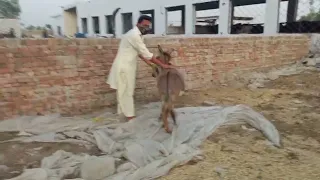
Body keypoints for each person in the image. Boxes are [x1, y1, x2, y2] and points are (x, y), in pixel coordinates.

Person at [107, 15, 173, 121]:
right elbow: (147, 54)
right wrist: (163, 65)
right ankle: (130, 117)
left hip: (127, 66)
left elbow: (139, 53)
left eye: (148, 25)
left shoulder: (138, 35)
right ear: (138, 24)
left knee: (124, 91)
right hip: (124, 67)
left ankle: (124, 113)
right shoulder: (134, 35)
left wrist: (151, 64)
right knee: (127, 92)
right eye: (144, 25)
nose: (146, 27)